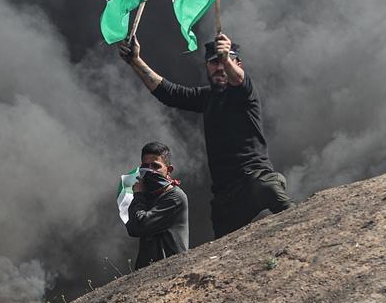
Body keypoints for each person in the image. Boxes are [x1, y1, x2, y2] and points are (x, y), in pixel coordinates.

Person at [120, 32, 293, 239]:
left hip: (254, 178)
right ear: (207, 67)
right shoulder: (207, 97)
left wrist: (225, 57)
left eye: (225, 61)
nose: (219, 67)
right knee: (223, 245)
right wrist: (135, 61)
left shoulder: (245, 92)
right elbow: (170, 93)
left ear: (238, 63)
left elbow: (238, 79)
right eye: (213, 62)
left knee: (273, 194)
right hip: (225, 194)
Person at [124, 141, 189, 269]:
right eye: (145, 166)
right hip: (147, 272)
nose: (150, 171)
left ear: (168, 170)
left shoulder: (175, 197)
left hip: (170, 270)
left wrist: (139, 195)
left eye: (155, 166)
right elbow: (131, 227)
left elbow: (140, 225)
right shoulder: (147, 195)